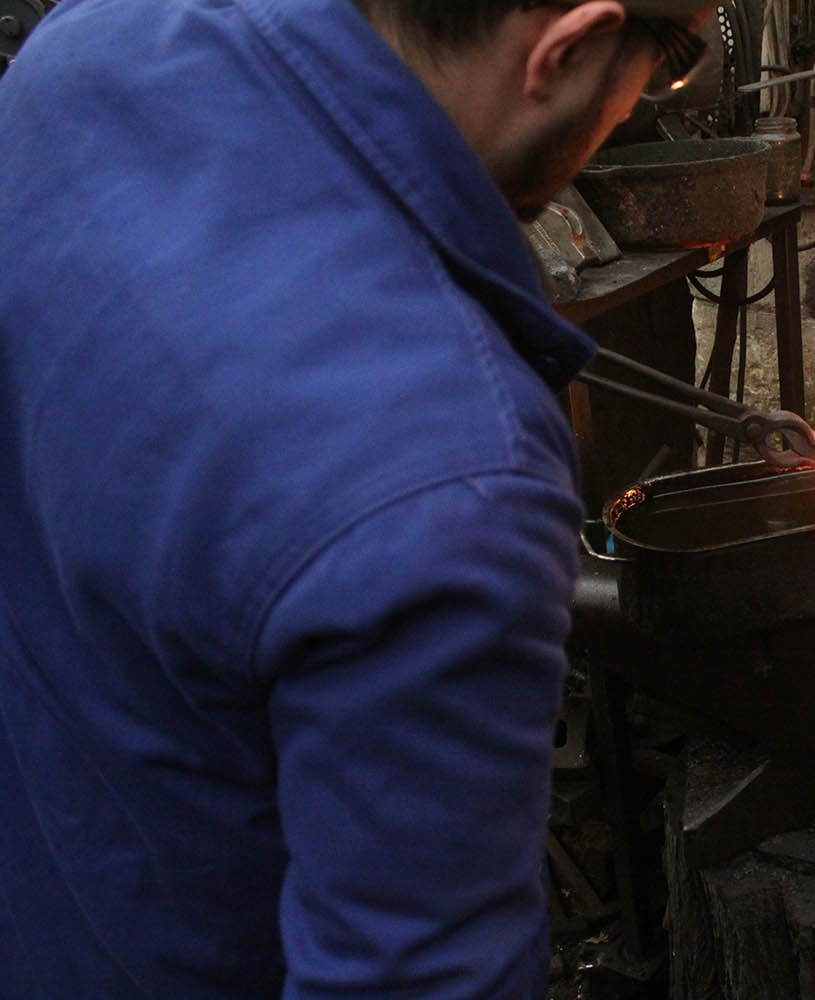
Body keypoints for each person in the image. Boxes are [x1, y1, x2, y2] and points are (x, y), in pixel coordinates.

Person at [0, 0, 712, 994]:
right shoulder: (451, 482)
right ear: (567, 49)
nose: (639, 105)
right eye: (671, 62)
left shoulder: (90, 45)